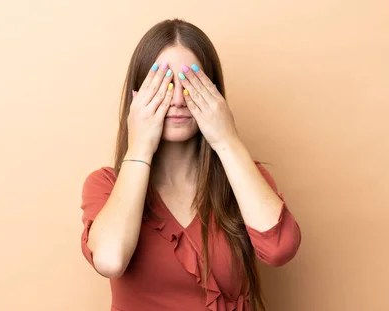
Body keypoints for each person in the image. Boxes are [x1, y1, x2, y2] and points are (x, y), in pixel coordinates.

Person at [80, 18, 302, 311]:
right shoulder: (105, 185)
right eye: (163, 84)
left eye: (189, 85)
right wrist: (140, 145)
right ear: (137, 97)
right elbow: (110, 259)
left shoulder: (245, 177)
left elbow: (279, 249)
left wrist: (226, 138)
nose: (177, 100)